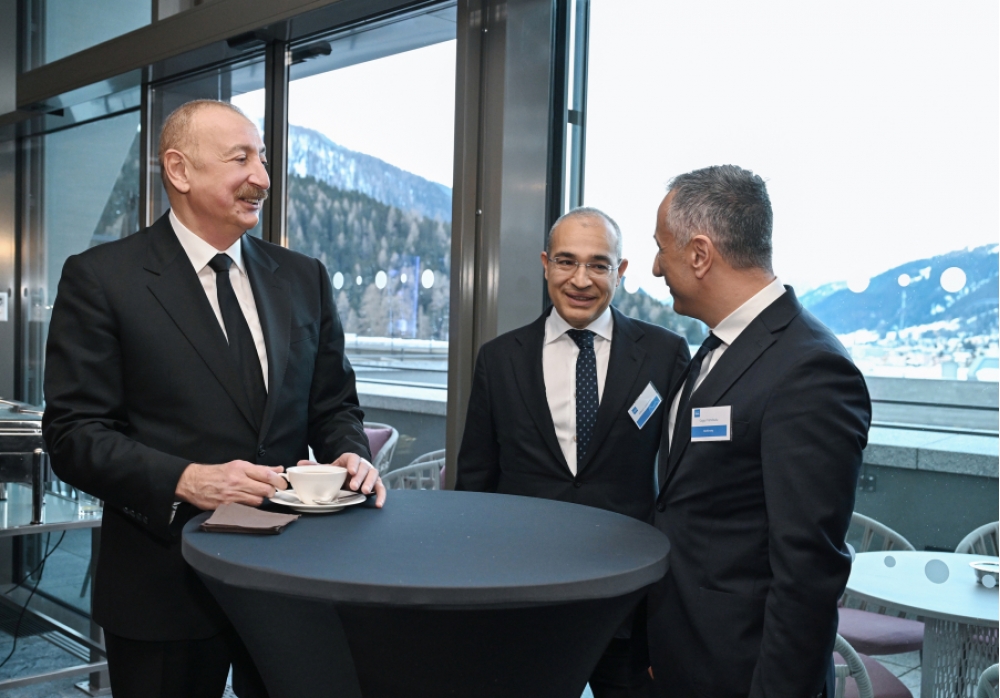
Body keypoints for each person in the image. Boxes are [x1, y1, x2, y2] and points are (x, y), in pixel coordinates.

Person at [42, 99, 386, 698]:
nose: (263, 178)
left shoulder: (303, 276)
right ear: (179, 170)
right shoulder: (101, 279)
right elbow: (74, 436)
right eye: (241, 158)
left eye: (264, 159)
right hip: (162, 586)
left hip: (287, 579)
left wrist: (349, 453)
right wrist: (187, 480)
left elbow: (333, 405)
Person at [646, 165, 871, 698]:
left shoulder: (810, 370)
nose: (655, 267)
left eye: (661, 248)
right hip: (688, 655)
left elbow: (807, 576)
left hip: (745, 675)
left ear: (699, 254)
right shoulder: (717, 348)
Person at [456, 207, 689, 698]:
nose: (580, 280)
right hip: (523, 597)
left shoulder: (664, 354)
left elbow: (682, 481)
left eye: (598, 265)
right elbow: (475, 484)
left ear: (620, 271)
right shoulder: (498, 360)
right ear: (546, 264)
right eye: (566, 261)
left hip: (627, 599)